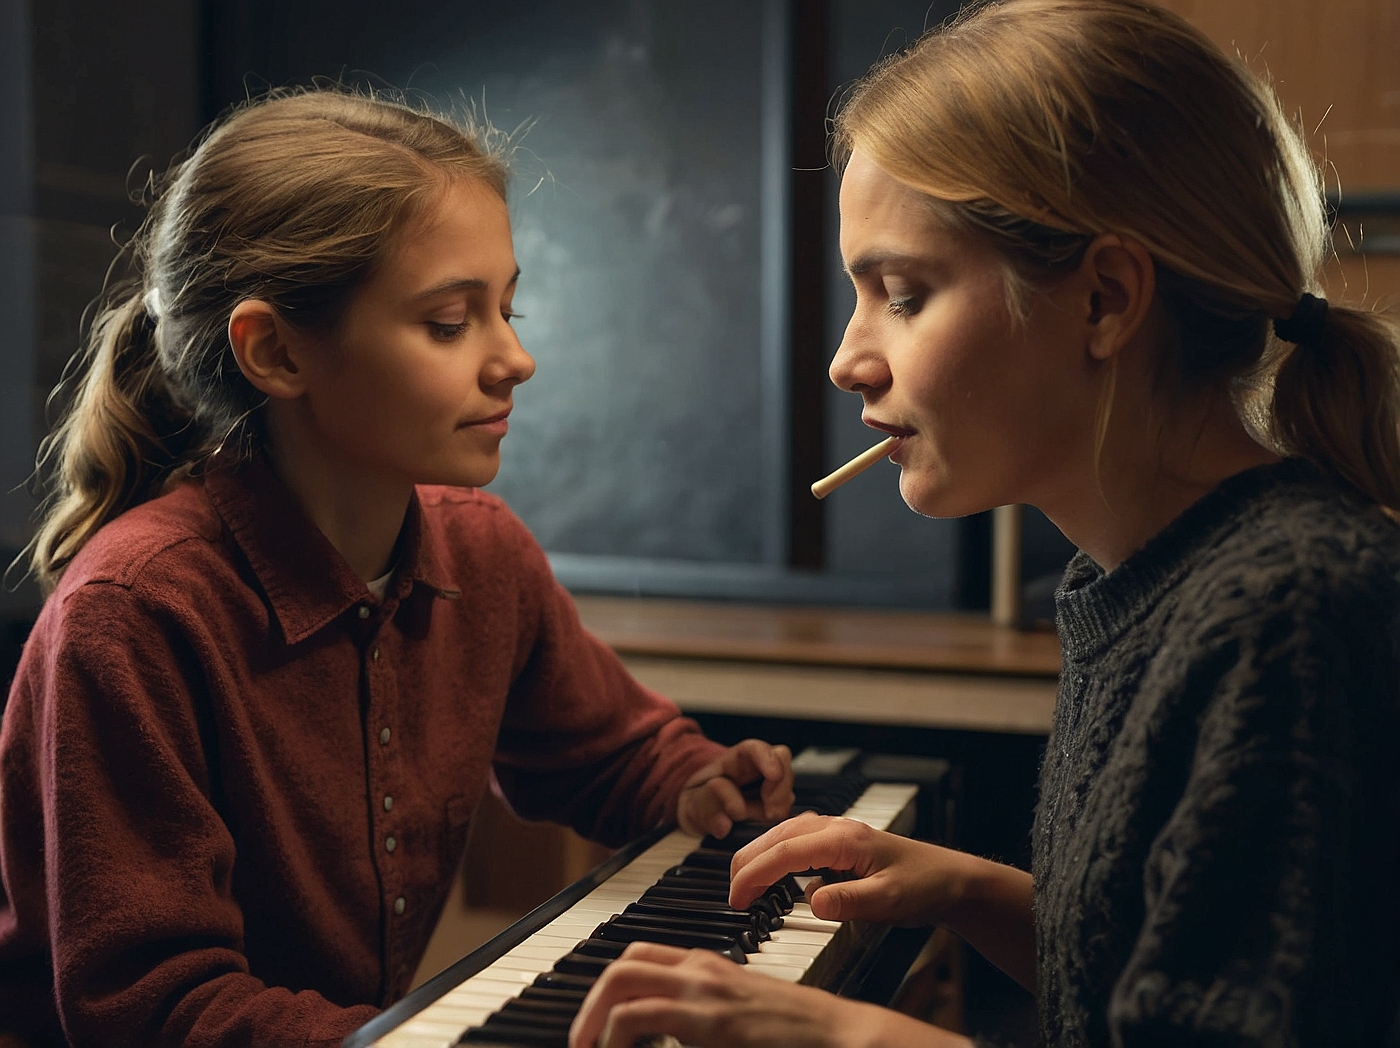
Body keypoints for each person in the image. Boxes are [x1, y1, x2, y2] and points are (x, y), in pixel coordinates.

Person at [568, 1, 1400, 1045]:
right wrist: (972, 890)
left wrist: (842, 1033)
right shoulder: (1146, 580)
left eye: (902, 295)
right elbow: (1163, 971)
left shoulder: (1288, 609)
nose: (845, 358)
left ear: (1102, 299)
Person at [0, 89, 795, 1048]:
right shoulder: (133, 613)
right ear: (275, 350)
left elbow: (605, 751)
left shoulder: (481, 548)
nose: (518, 358)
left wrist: (689, 780)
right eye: (451, 323)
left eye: (509, 307)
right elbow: (157, 1006)